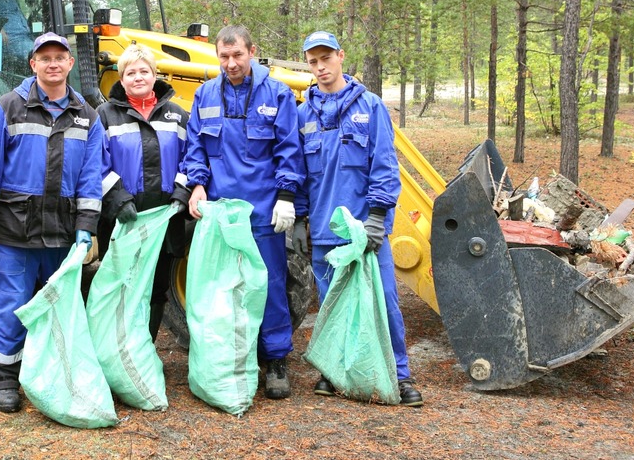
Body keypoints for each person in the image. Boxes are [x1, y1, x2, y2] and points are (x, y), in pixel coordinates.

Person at [0, 31, 105, 414]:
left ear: (70, 64)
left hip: (62, 232)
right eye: (45, 58)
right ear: (34, 64)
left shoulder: (87, 117)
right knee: (10, 304)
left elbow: (92, 177)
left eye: (60, 57)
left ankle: (53, 373)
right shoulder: (9, 107)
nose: (53, 63)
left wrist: (86, 227)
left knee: (59, 308)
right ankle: (5, 379)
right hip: (16, 228)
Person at [295, 30, 424, 407]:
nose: (320, 67)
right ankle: (333, 372)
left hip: (366, 232)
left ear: (340, 56)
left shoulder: (370, 106)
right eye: (313, 61)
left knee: (382, 301)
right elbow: (299, 174)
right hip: (323, 232)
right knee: (333, 305)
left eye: (326, 58)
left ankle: (399, 376)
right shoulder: (303, 115)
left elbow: (384, 166)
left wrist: (377, 218)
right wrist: (302, 222)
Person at [183, 24, 305, 400]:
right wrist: (198, 183)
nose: (231, 63)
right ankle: (233, 354)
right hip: (221, 212)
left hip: (263, 209)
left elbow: (289, 147)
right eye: (224, 56)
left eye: (237, 55)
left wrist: (286, 195)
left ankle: (276, 359)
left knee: (268, 285)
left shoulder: (278, 94)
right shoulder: (205, 95)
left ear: (252, 51)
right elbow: (196, 147)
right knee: (222, 285)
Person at [97, 44, 191, 341]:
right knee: (122, 285)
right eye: (131, 72)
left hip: (165, 218)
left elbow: (192, 158)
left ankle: (145, 349)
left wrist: (181, 192)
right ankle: (120, 350)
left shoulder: (178, 115)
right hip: (123, 218)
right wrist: (118, 199)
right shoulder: (106, 115)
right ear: (121, 79)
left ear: (155, 75)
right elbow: (95, 164)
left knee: (157, 286)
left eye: (144, 71)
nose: (138, 77)